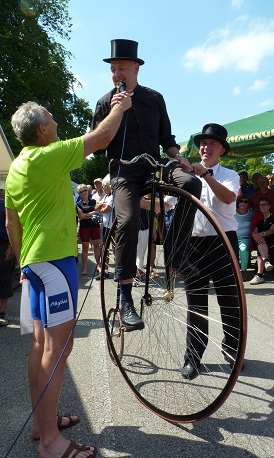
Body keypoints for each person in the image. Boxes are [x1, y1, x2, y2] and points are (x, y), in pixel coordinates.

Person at [5, 96, 131, 458]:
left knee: (42, 345)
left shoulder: (18, 166)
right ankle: (50, 443)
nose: (56, 119)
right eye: (51, 115)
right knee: (57, 350)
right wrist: (119, 106)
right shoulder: (50, 154)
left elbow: (12, 223)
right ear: (42, 129)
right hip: (55, 260)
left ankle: (41, 423)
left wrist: (24, 267)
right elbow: (102, 137)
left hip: (34, 263)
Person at [90, 38, 201, 331]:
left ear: (136, 68)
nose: (116, 74)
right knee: (126, 221)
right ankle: (125, 296)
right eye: (113, 69)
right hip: (124, 172)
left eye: (121, 68)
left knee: (190, 183)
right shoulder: (104, 103)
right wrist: (117, 112)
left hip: (155, 167)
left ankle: (176, 253)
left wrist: (179, 158)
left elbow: (167, 139)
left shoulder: (155, 98)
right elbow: (98, 146)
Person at [180, 123, 241, 379]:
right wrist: (140, 201)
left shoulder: (229, 175)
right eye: (203, 143)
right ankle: (193, 358)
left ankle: (232, 349)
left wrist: (206, 175)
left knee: (229, 301)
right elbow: (167, 204)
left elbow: (227, 198)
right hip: (195, 244)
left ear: (221, 151)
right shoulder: (187, 177)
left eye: (211, 144)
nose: (205, 147)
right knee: (196, 304)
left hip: (223, 243)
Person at [76, 184, 101, 276]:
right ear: (79, 194)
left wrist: (86, 214)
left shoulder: (94, 201)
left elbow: (98, 211)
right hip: (84, 228)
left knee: (96, 247)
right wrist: (92, 213)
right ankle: (85, 268)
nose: (84, 193)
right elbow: (81, 216)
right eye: (81, 192)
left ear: (88, 191)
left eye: (85, 190)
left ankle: (98, 266)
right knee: (85, 248)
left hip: (95, 226)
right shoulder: (78, 204)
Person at [250, 196, 274, 285]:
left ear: (269, 206)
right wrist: (258, 237)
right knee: (261, 244)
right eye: (261, 205)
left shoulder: (272, 216)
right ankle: (266, 261)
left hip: (271, 239)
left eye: (265, 204)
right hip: (260, 241)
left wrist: (262, 234)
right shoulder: (258, 218)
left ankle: (259, 276)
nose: (263, 206)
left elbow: (272, 230)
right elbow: (254, 231)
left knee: (261, 248)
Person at [94, 174, 114, 279]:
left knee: (115, 249)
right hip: (106, 226)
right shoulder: (106, 196)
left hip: (113, 226)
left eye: (105, 186)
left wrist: (101, 208)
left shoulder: (112, 196)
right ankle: (105, 271)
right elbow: (96, 207)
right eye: (103, 187)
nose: (103, 188)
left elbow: (107, 209)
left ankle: (118, 271)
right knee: (104, 249)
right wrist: (102, 207)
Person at [0, 189, 14, 326]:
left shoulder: (3, 204)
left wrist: (11, 246)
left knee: (4, 279)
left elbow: (11, 225)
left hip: (3, 247)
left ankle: (2, 312)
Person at [234, 194, 253, 281]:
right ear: (238, 203)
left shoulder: (251, 214)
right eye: (241, 201)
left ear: (248, 204)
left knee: (243, 249)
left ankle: (243, 270)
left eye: (246, 201)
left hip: (245, 239)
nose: (243, 203)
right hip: (233, 238)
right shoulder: (232, 213)